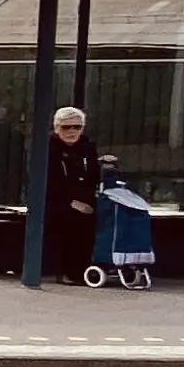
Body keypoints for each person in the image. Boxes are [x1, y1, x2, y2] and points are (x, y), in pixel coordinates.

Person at [42, 103, 110, 281]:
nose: (72, 131)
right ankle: (69, 271)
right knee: (70, 219)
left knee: (104, 215)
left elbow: (93, 174)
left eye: (77, 127)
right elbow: (48, 181)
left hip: (85, 198)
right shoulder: (47, 148)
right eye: (66, 127)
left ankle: (96, 266)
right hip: (55, 200)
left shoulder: (87, 146)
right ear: (57, 127)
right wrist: (71, 201)